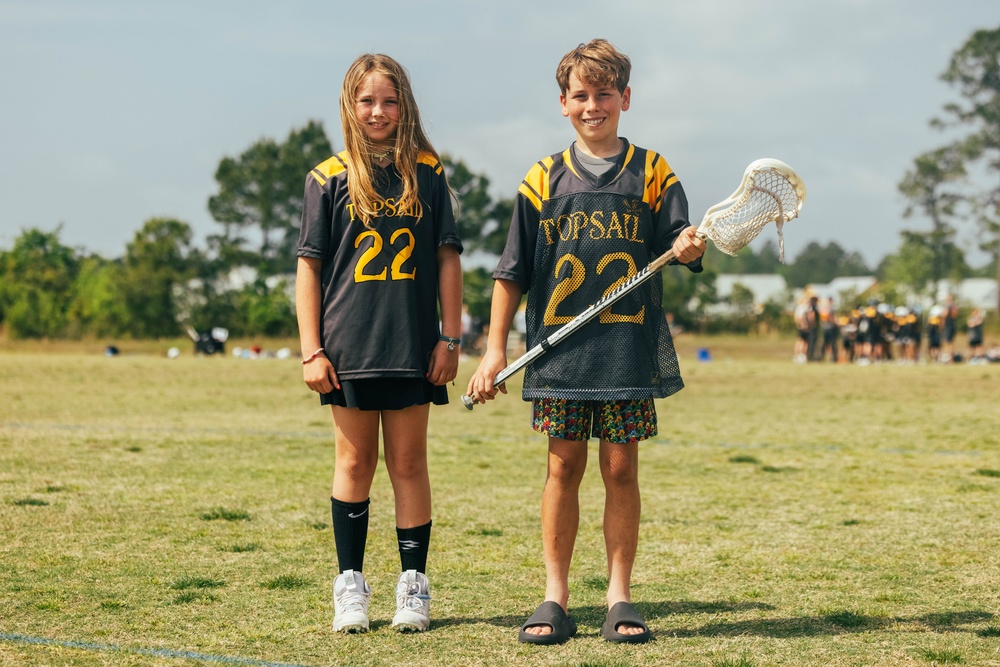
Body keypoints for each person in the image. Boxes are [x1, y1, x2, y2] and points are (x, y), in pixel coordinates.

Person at [467, 38, 706, 646]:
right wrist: (494, 351)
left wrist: (688, 245)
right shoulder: (542, 177)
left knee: (621, 469)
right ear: (563, 103)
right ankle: (555, 597)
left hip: (626, 349)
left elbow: (680, 237)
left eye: (604, 94)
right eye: (581, 95)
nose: (592, 105)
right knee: (563, 467)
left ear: (625, 98)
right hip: (560, 351)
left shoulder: (654, 172)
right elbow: (512, 272)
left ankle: (619, 595)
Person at [295, 53, 463, 635]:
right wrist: (310, 349)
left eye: (389, 101)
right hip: (349, 348)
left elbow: (447, 257)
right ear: (350, 105)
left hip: (414, 342)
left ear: (404, 105)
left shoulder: (428, 173)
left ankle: (413, 586)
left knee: (409, 463)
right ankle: (351, 586)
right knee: (354, 461)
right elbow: (310, 269)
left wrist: (451, 335)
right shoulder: (327, 177)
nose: (378, 111)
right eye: (367, 101)